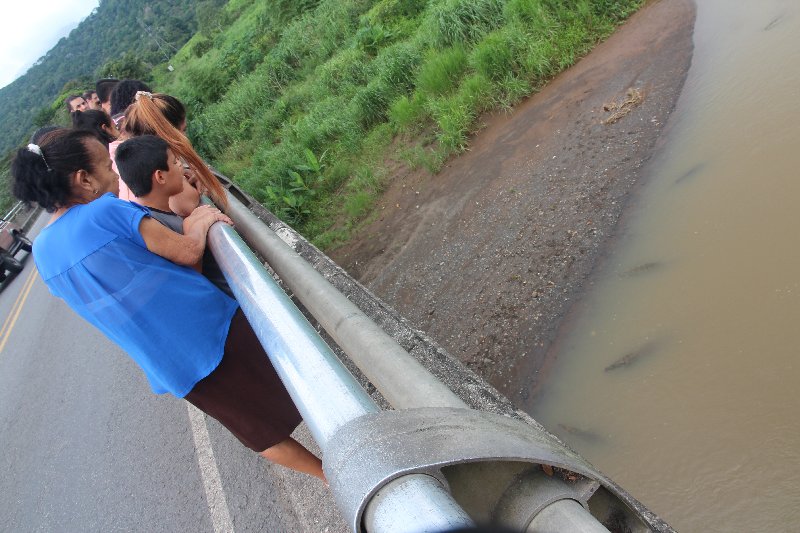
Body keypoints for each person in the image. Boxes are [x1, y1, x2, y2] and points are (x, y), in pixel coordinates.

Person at [10, 129, 325, 481]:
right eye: (106, 166)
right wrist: (197, 220)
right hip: (215, 326)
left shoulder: (43, 252)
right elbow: (188, 251)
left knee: (259, 432)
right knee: (307, 384)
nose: (115, 175)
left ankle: (332, 478)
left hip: (169, 364)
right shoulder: (105, 211)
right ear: (84, 179)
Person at [115, 135, 232, 297]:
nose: (181, 169)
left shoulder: (157, 216)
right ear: (160, 176)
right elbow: (189, 278)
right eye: (175, 162)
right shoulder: (157, 226)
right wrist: (194, 227)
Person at [113, 91, 220, 216]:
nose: (185, 137)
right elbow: (186, 204)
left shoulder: (133, 162)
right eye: (183, 130)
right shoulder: (157, 164)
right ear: (168, 133)